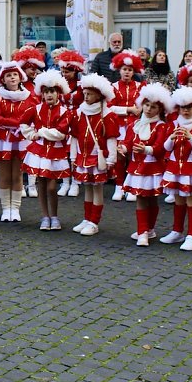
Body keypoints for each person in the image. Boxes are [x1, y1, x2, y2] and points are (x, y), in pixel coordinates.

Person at [158, 87, 192, 251]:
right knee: (178, 200)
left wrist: (191, 137)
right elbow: (165, 147)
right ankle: (177, 231)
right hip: (175, 168)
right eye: (183, 108)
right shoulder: (173, 124)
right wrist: (171, 137)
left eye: (189, 107)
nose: (186, 111)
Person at [121, 83, 172, 247]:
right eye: (147, 105)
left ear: (160, 109)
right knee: (141, 198)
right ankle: (142, 231)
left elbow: (160, 148)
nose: (149, 109)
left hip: (153, 168)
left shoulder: (161, 126)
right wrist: (121, 148)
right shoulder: (134, 125)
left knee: (152, 199)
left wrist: (146, 149)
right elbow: (128, 142)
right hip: (137, 168)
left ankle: (149, 228)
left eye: (153, 107)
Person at [21, 71, 72, 231]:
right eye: (46, 92)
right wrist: (32, 135)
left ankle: (55, 215)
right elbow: (23, 123)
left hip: (56, 152)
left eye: (52, 92)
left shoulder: (64, 111)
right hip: (39, 151)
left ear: (58, 93)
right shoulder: (35, 109)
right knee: (41, 185)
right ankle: (45, 216)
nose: (49, 95)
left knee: (52, 187)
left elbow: (60, 133)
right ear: (42, 94)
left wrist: (41, 132)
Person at [69, 74, 120, 236]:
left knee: (97, 188)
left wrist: (111, 158)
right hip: (83, 156)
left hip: (98, 158)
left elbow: (111, 138)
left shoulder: (107, 115)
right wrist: (73, 157)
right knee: (87, 188)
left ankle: (94, 221)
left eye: (89, 94)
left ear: (99, 95)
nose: (86, 97)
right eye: (84, 93)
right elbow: (75, 136)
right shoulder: (79, 113)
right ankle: (86, 218)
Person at [0, 61, 36, 222]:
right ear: (3, 79)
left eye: (14, 74)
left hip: (21, 139)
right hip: (4, 139)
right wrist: (17, 123)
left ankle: (15, 209)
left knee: (17, 174)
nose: (12, 78)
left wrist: (21, 124)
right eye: (8, 75)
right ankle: (5, 208)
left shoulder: (29, 96)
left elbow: (33, 115)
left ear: (20, 77)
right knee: (4, 175)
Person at [108, 50, 144, 202]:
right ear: (119, 70)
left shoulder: (141, 86)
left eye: (130, 70)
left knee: (134, 156)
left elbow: (144, 103)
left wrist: (139, 110)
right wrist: (128, 110)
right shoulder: (113, 86)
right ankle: (119, 186)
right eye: (124, 69)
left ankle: (133, 187)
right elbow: (110, 107)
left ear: (134, 71)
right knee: (120, 157)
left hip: (135, 127)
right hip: (119, 127)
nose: (127, 72)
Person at [55, 49, 86, 197]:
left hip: (78, 120)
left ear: (75, 70)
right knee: (61, 152)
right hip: (61, 118)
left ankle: (76, 182)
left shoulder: (82, 84)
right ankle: (64, 181)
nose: (65, 73)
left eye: (68, 71)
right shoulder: (57, 83)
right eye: (63, 70)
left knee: (75, 153)